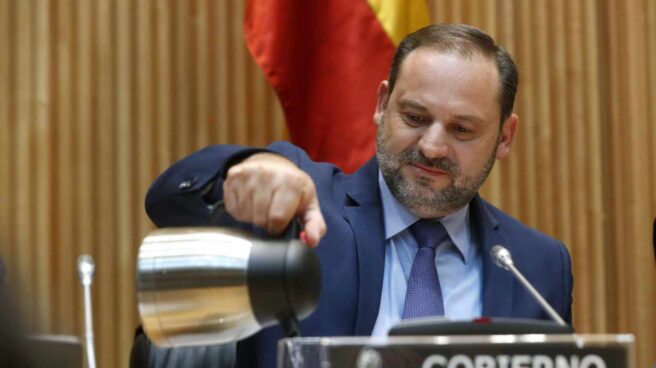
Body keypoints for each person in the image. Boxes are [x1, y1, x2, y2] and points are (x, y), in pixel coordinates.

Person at [137, 24, 573, 367]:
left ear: (504, 136)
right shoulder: (299, 209)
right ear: (383, 104)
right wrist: (245, 170)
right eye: (415, 116)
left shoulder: (537, 265)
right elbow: (168, 201)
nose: (432, 147)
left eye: (462, 129)